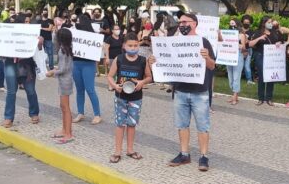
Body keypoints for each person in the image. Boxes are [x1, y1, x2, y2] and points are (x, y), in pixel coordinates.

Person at [149, 13, 216, 172]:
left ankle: (203, 156)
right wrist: (154, 61)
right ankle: (184, 154)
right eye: (180, 22)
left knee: (203, 126)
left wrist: (206, 58)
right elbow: (166, 60)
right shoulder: (173, 42)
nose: (182, 24)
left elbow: (212, 66)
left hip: (200, 92)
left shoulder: (203, 42)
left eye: (185, 22)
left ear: (194, 24)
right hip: (180, 91)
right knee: (182, 125)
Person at [107, 32, 152, 163]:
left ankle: (130, 149)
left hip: (136, 98)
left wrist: (142, 82)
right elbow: (110, 76)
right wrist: (115, 86)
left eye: (135, 45)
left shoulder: (143, 61)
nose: (133, 48)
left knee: (132, 124)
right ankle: (117, 151)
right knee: (120, 124)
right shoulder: (119, 59)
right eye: (130, 45)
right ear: (124, 46)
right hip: (120, 97)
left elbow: (149, 77)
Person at [2, 14, 41, 128]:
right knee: (11, 91)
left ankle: (34, 113)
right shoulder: (10, 33)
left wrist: (40, 42)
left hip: (27, 65)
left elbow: (39, 48)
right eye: (26, 21)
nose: (28, 23)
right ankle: (8, 117)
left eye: (29, 21)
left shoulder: (33, 34)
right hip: (11, 63)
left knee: (30, 90)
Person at [71, 15, 103, 125]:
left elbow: (97, 50)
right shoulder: (73, 34)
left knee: (90, 89)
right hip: (76, 63)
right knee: (79, 89)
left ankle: (97, 114)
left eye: (78, 21)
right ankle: (80, 112)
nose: (76, 23)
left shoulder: (93, 36)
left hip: (88, 64)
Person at [46, 28, 75, 144]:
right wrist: (55, 69)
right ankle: (65, 129)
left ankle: (68, 133)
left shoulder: (62, 50)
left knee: (65, 107)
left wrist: (52, 72)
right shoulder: (66, 49)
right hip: (65, 80)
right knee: (63, 106)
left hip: (65, 81)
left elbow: (63, 69)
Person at [248, 16, 283, 106]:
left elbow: (281, 42)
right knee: (262, 76)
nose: (271, 24)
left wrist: (279, 43)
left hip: (272, 57)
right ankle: (261, 98)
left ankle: (269, 98)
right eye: (269, 22)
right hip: (261, 56)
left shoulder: (275, 32)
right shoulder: (258, 32)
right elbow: (250, 44)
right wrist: (259, 38)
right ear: (264, 23)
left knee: (271, 77)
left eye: (271, 22)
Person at [225, 19, 247, 105]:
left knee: (236, 77)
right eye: (230, 24)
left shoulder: (241, 35)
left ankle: (234, 97)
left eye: (233, 24)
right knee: (230, 77)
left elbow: (243, 47)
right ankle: (235, 95)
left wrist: (235, 44)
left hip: (238, 56)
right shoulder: (227, 34)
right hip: (228, 57)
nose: (231, 25)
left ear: (237, 24)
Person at [92, 8, 111, 77]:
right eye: (95, 12)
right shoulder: (91, 21)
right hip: (95, 41)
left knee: (105, 57)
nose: (96, 13)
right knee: (96, 57)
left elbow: (108, 31)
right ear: (93, 13)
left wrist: (103, 30)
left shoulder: (104, 21)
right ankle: (97, 71)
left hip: (103, 40)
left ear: (100, 13)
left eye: (98, 12)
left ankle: (106, 72)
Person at [241, 15, 255, 85]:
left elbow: (251, 42)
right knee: (239, 65)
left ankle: (249, 80)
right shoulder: (239, 30)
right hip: (240, 49)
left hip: (248, 50)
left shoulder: (252, 32)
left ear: (250, 23)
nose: (246, 23)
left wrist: (246, 40)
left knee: (247, 65)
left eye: (248, 22)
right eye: (245, 22)